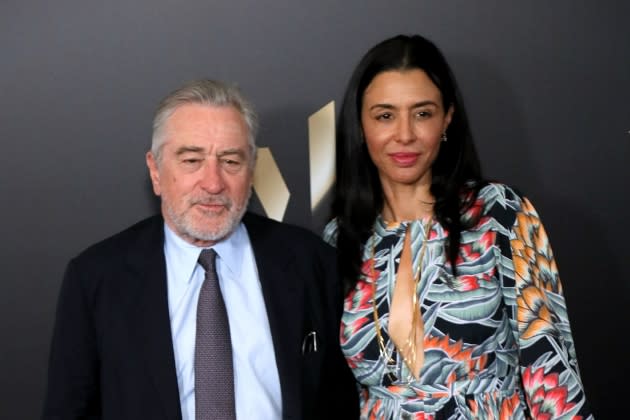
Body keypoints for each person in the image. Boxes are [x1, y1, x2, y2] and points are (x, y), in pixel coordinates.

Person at [43, 79, 359, 420]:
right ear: (156, 171)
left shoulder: (310, 262)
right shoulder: (97, 278)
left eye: (231, 162)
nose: (213, 183)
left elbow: (338, 401)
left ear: (252, 170)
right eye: (192, 160)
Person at [325, 34, 593, 419]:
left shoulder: (497, 214)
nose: (404, 134)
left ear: (447, 118)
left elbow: (551, 370)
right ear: (361, 124)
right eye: (385, 115)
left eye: (422, 113)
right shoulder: (340, 240)